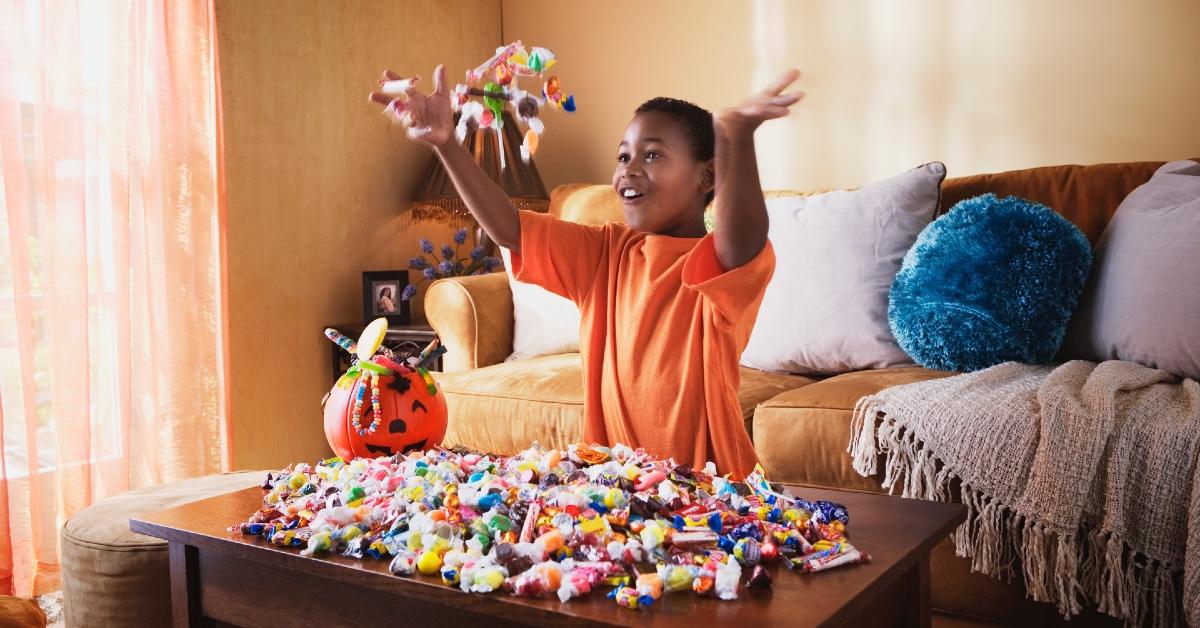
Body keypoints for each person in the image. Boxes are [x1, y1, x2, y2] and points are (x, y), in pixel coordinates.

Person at [370, 66, 803, 478]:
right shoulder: (604, 253)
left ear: (708, 176)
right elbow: (509, 228)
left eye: (653, 154)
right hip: (615, 491)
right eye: (623, 155)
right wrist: (446, 144)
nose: (629, 169)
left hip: (714, 494)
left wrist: (734, 138)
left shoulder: (717, 261)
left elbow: (741, 237)